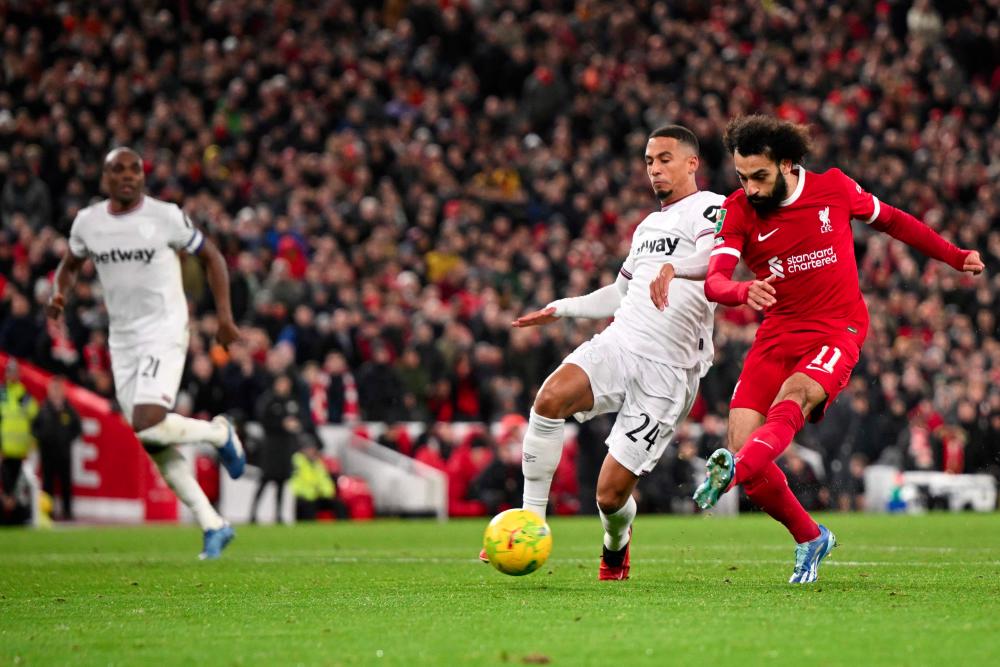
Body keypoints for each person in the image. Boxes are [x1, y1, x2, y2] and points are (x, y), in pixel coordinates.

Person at [694, 115, 984, 582]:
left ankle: (733, 469)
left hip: (837, 328)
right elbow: (715, 279)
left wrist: (953, 256)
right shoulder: (739, 210)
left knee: (794, 397)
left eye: (759, 177)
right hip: (776, 335)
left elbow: (894, 221)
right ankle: (810, 537)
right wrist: (740, 291)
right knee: (748, 461)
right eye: (741, 177)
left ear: (787, 165)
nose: (749, 188)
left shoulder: (833, 188)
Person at [478, 125, 725, 580]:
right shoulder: (647, 226)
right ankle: (530, 522)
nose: (655, 169)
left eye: (665, 159)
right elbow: (619, 292)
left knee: (609, 497)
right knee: (549, 399)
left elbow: (717, 263)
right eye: (649, 161)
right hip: (621, 342)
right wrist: (562, 309)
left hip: (669, 371)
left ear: (692, 162)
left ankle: (616, 542)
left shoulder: (710, 208)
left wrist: (674, 269)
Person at [46, 147, 247, 559]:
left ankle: (219, 433)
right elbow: (70, 263)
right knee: (150, 438)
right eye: (117, 170)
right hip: (122, 340)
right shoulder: (89, 223)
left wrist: (224, 317)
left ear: (143, 176)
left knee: (147, 421)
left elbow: (212, 257)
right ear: (104, 178)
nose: (127, 176)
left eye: (134, 169)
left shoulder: (165, 216)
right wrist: (59, 293)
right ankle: (212, 523)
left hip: (164, 328)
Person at [250, 373, 302, 524]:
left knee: (282, 482)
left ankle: (279, 515)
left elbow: (300, 418)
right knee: (264, 480)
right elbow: (263, 420)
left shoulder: (292, 401)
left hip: (286, 446)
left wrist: (296, 426)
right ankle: (253, 513)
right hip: (271, 446)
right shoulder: (268, 400)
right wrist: (281, 424)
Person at [31, 375, 82, 520]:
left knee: (66, 483)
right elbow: (34, 427)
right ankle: (48, 512)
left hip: (64, 452)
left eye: (59, 388)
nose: (56, 391)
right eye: (54, 388)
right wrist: (42, 438)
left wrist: (67, 440)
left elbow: (77, 428)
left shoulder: (69, 410)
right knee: (48, 483)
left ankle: (68, 511)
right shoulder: (43, 408)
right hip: (47, 452)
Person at [1, 360, 38, 514]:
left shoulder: (24, 394)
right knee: (5, 485)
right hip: (4, 451)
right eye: (10, 372)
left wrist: (31, 443)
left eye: (15, 372)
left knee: (17, 488)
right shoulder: (2, 394)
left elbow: (35, 415)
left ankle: (14, 515)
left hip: (21, 451)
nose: (12, 375)